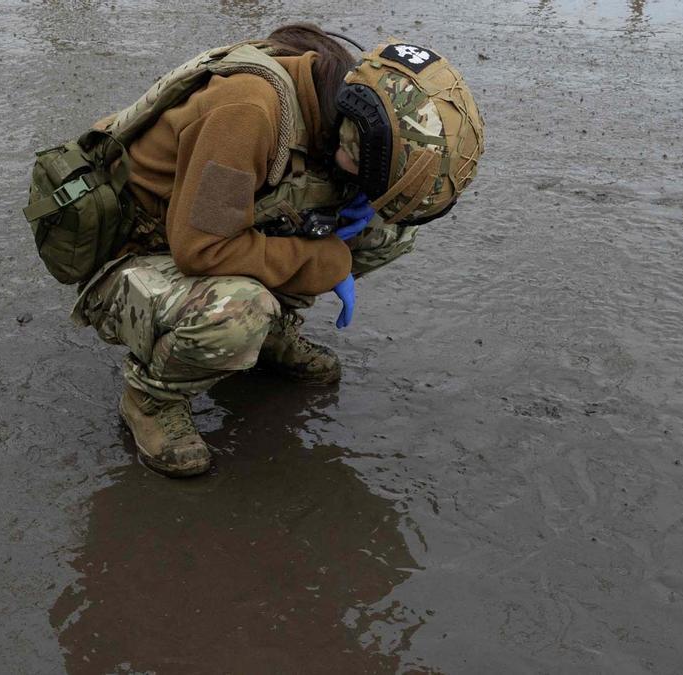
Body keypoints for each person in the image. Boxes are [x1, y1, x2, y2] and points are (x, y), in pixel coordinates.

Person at [66, 24, 484, 477]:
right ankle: (151, 398)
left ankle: (269, 337)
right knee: (238, 312)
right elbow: (201, 250)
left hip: (205, 227)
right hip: (138, 250)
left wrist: (351, 203)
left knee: (386, 231)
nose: (364, 185)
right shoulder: (248, 112)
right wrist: (320, 260)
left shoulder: (335, 98)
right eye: (366, 171)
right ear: (361, 132)